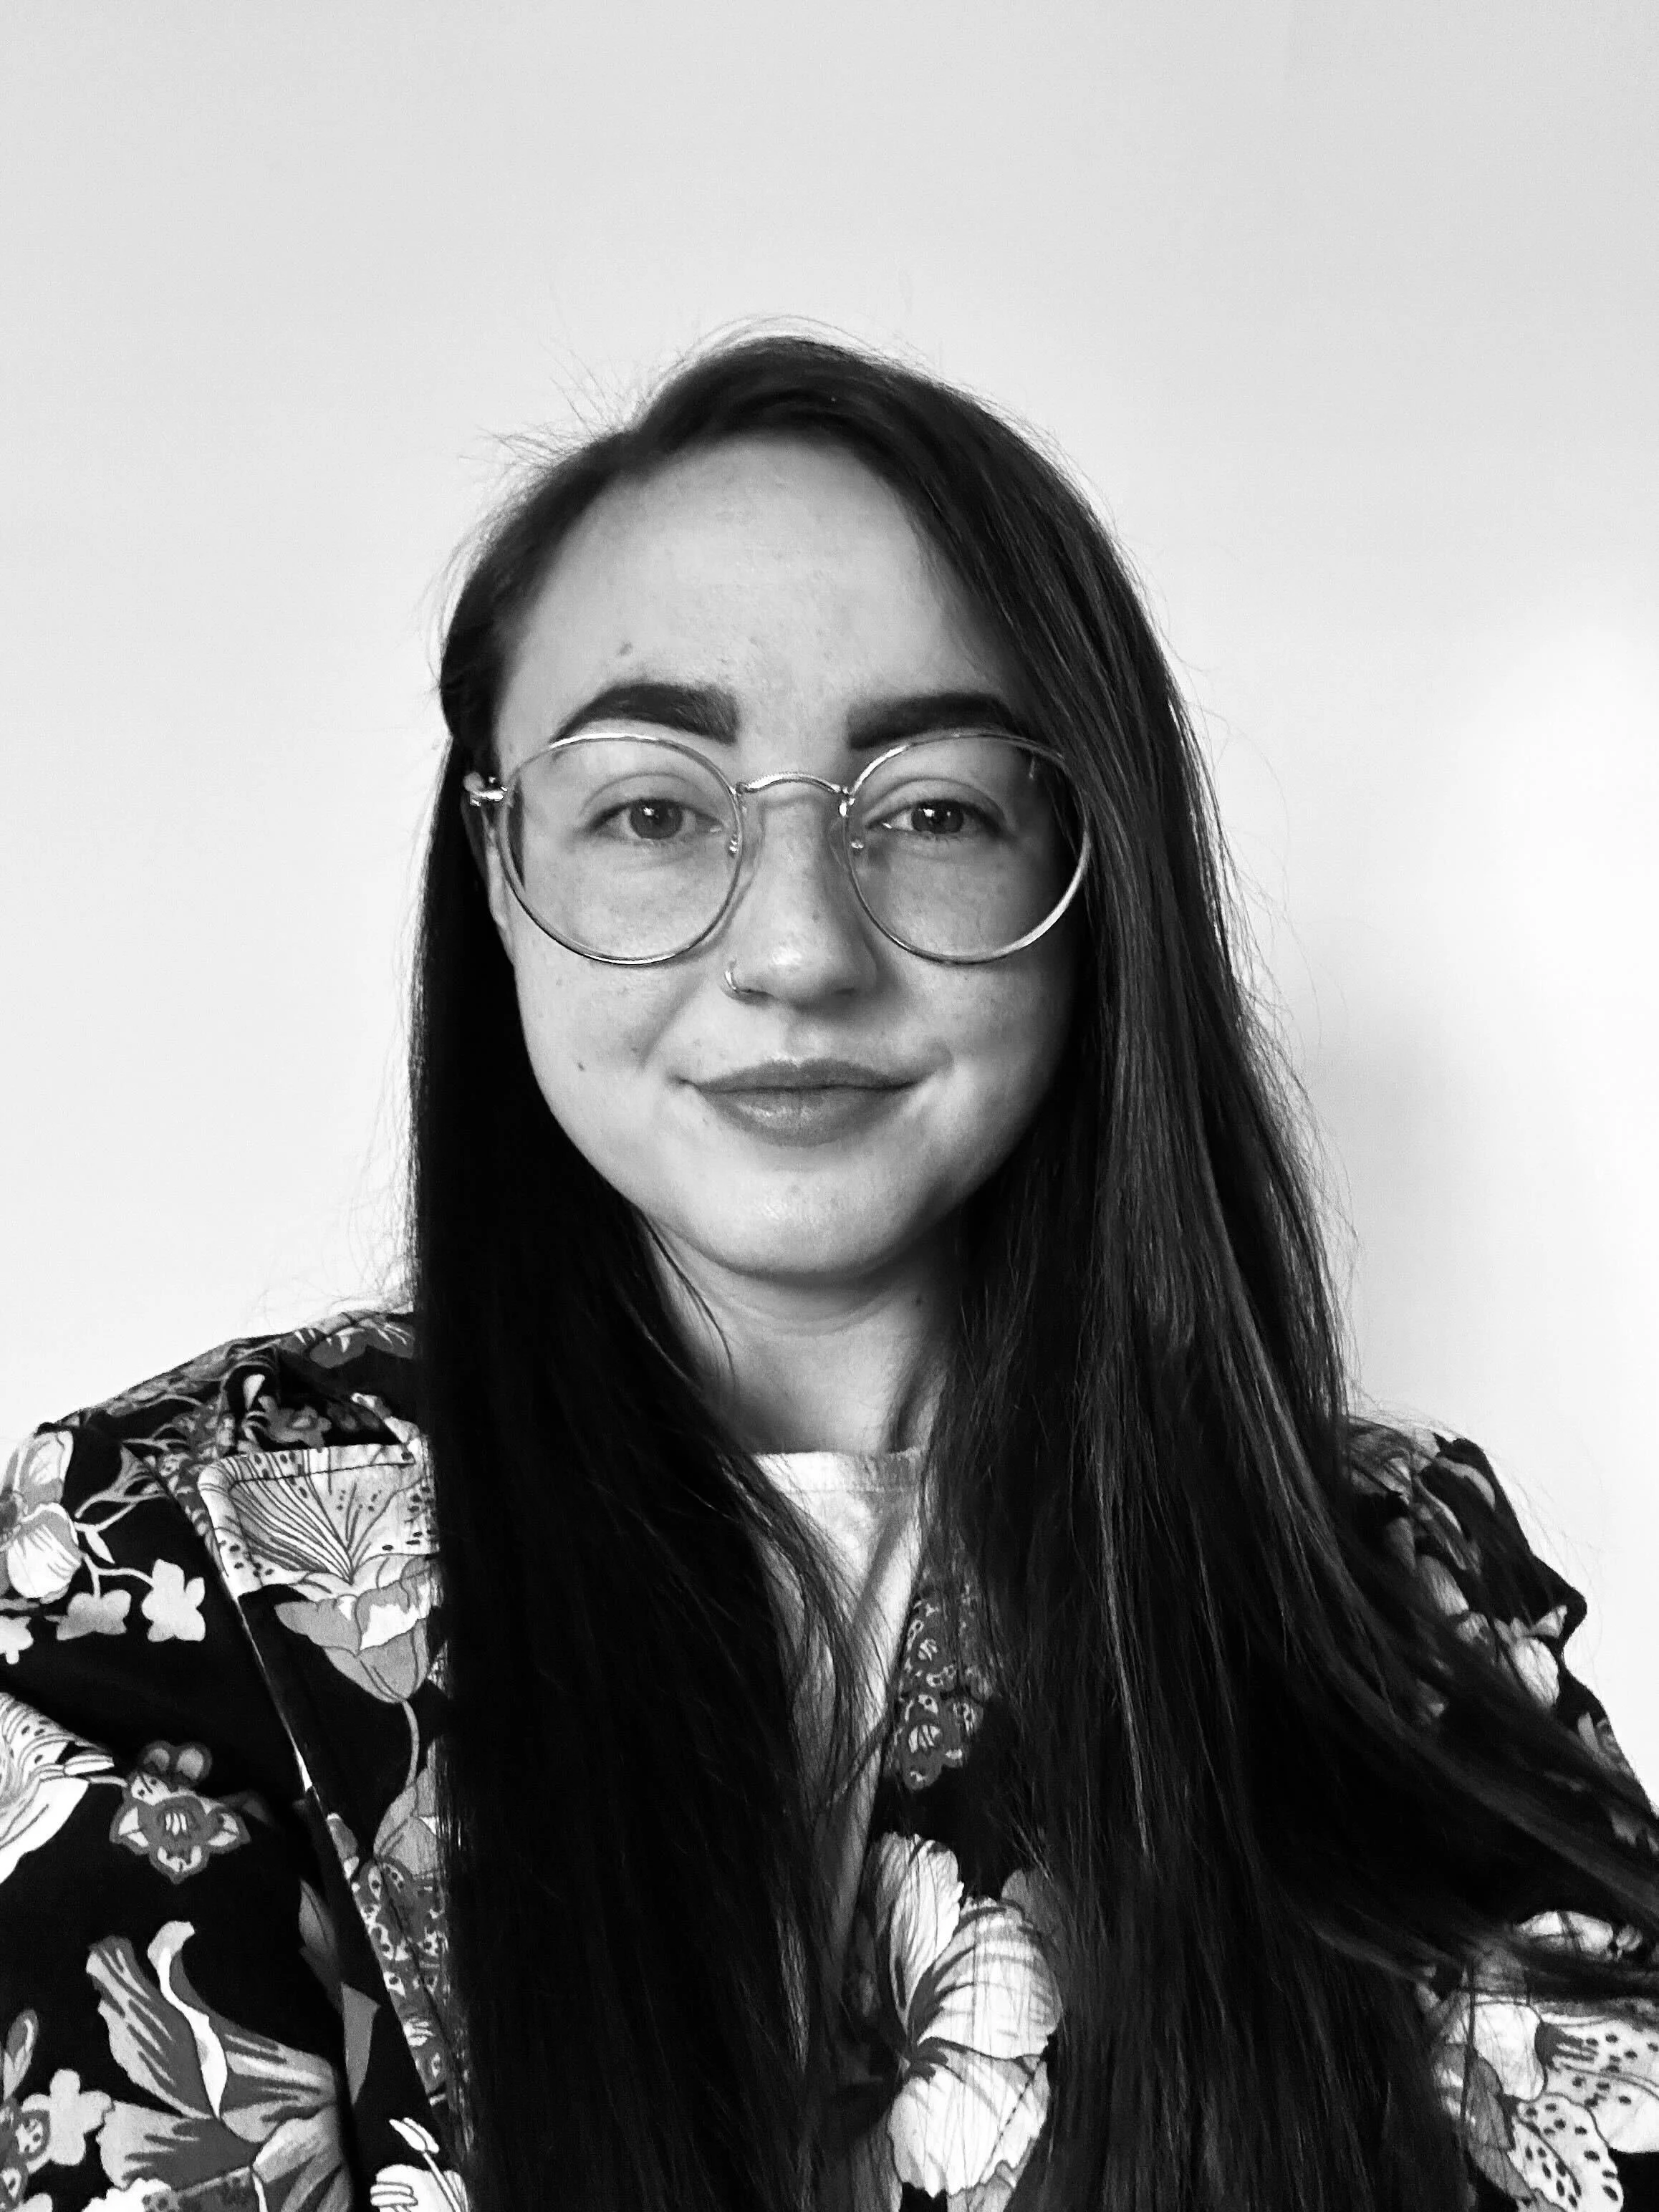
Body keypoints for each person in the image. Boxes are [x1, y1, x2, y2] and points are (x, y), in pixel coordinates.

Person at [2, 332, 1656, 2212]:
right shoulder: (154, 1565)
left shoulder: (1386, 1579)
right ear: (497, 867)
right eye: (650, 808)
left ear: (1086, 874)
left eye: (935, 810)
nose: (795, 947)